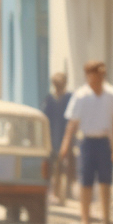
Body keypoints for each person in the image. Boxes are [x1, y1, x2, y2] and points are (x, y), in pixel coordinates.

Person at [61, 60, 113, 224]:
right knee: (85, 183)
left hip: (104, 142)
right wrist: (65, 145)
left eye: (101, 74)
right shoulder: (81, 96)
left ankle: (106, 223)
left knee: (105, 183)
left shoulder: (112, 94)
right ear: (88, 76)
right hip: (87, 142)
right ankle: (85, 222)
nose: (97, 78)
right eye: (94, 75)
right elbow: (72, 123)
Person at [43, 71, 74, 205]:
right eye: (56, 84)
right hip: (52, 134)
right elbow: (45, 117)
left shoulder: (70, 98)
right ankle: (54, 192)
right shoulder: (49, 99)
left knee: (67, 164)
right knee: (53, 164)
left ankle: (68, 191)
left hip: (66, 134)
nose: (59, 87)